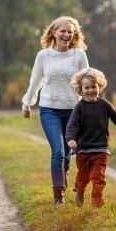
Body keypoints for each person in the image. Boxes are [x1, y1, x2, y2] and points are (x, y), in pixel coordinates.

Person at [21, 16, 89, 207]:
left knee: (67, 154)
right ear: (53, 32)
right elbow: (35, 82)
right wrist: (27, 104)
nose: (67, 35)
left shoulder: (78, 55)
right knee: (58, 151)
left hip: (73, 112)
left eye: (70, 32)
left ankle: (64, 171)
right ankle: (58, 195)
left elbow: (87, 82)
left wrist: (90, 108)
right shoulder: (43, 56)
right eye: (63, 31)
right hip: (49, 110)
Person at [66, 68, 116, 208]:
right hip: (83, 149)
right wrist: (71, 139)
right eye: (87, 87)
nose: (90, 90)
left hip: (101, 148)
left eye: (94, 87)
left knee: (98, 176)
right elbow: (71, 125)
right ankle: (80, 191)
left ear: (100, 87)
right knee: (83, 177)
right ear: (81, 89)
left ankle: (96, 201)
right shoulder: (79, 107)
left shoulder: (104, 105)